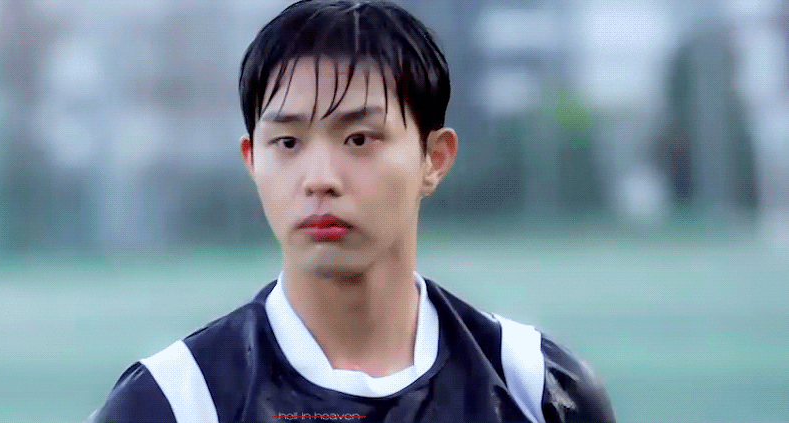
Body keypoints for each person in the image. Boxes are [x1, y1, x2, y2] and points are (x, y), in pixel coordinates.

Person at [87, 1, 615, 422]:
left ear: (434, 158)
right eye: (288, 142)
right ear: (252, 160)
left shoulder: (537, 388)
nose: (320, 178)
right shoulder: (173, 402)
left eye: (359, 138)